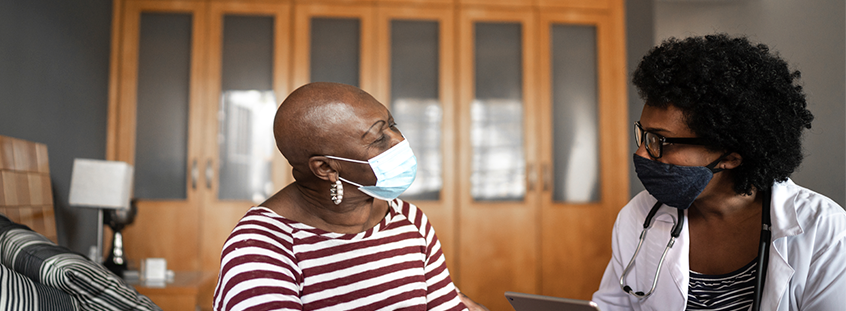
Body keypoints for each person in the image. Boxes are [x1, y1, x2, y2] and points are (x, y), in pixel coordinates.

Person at [592, 34, 846, 311]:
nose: (642, 153)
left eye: (660, 141)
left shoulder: (824, 230)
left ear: (731, 156)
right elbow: (611, 306)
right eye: (643, 135)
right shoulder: (638, 216)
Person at [212, 82, 486, 311]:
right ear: (327, 168)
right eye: (378, 139)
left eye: (392, 125)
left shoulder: (409, 219)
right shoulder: (261, 245)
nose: (399, 141)